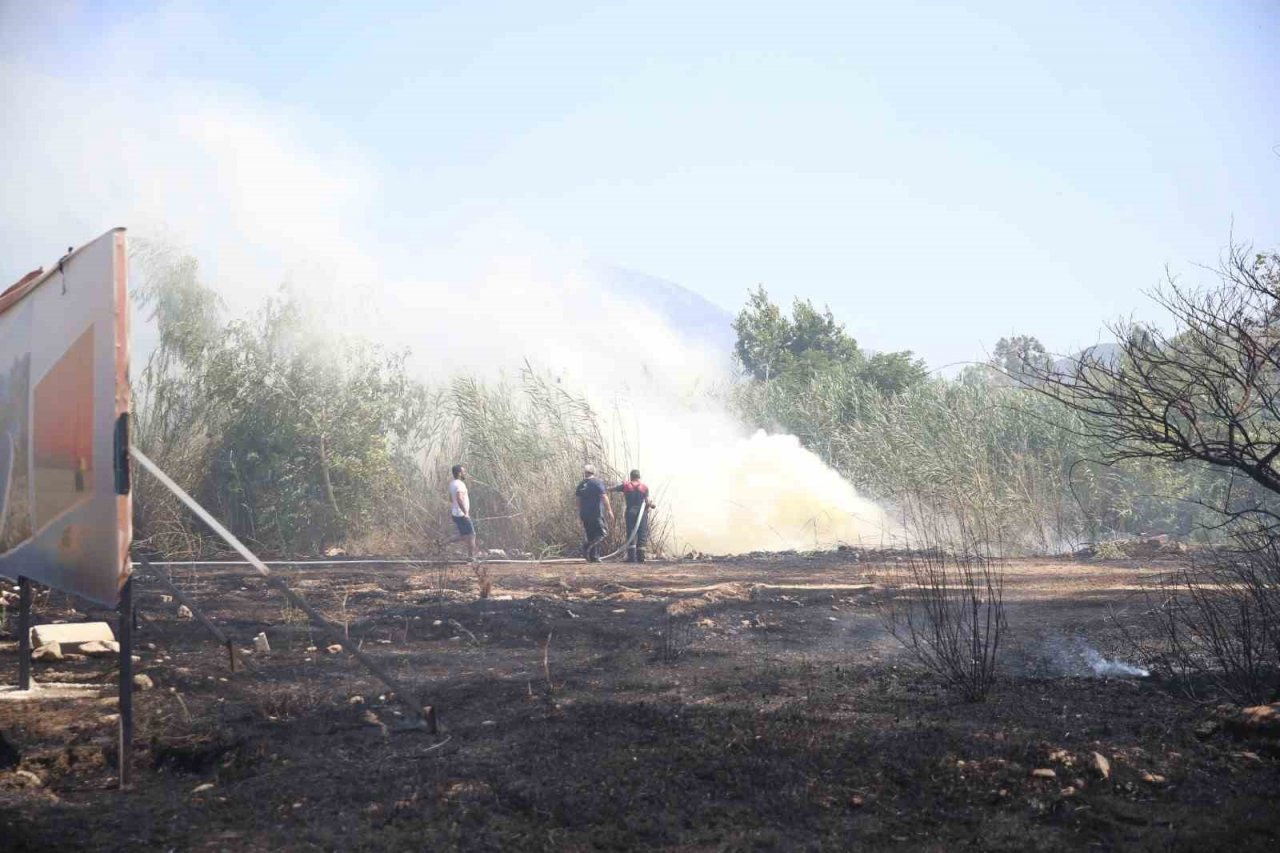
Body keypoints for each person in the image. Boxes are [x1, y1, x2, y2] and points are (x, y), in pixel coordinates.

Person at [610, 469, 656, 562]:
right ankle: (641, 558)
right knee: (642, 533)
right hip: (642, 514)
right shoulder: (644, 487)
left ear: (631, 476)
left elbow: (613, 489)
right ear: (639, 477)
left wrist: (605, 489)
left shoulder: (626, 486)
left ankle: (631, 558)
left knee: (631, 533)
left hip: (630, 512)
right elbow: (647, 501)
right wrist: (652, 505)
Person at [575, 464, 614, 562]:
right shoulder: (597, 483)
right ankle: (586, 547)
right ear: (594, 472)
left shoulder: (581, 484)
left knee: (591, 535)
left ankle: (594, 557)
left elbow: (578, 500)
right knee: (602, 533)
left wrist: (580, 513)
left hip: (585, 514)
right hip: (596, 513)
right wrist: (609, 510)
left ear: (585, 473)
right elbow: (604, 496)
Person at [448, 464, 478, 564]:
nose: (465, 473)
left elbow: (450, 498)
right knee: (471, 535)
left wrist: (455, 508)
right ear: (459, 473)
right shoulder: (460, 484)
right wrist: (466, 513)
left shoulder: (452, 483)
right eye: (464, 471)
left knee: (465, 535)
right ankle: (471, 558)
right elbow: (459, 498)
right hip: (461, 514)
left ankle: (446, 541)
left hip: (455, 513)